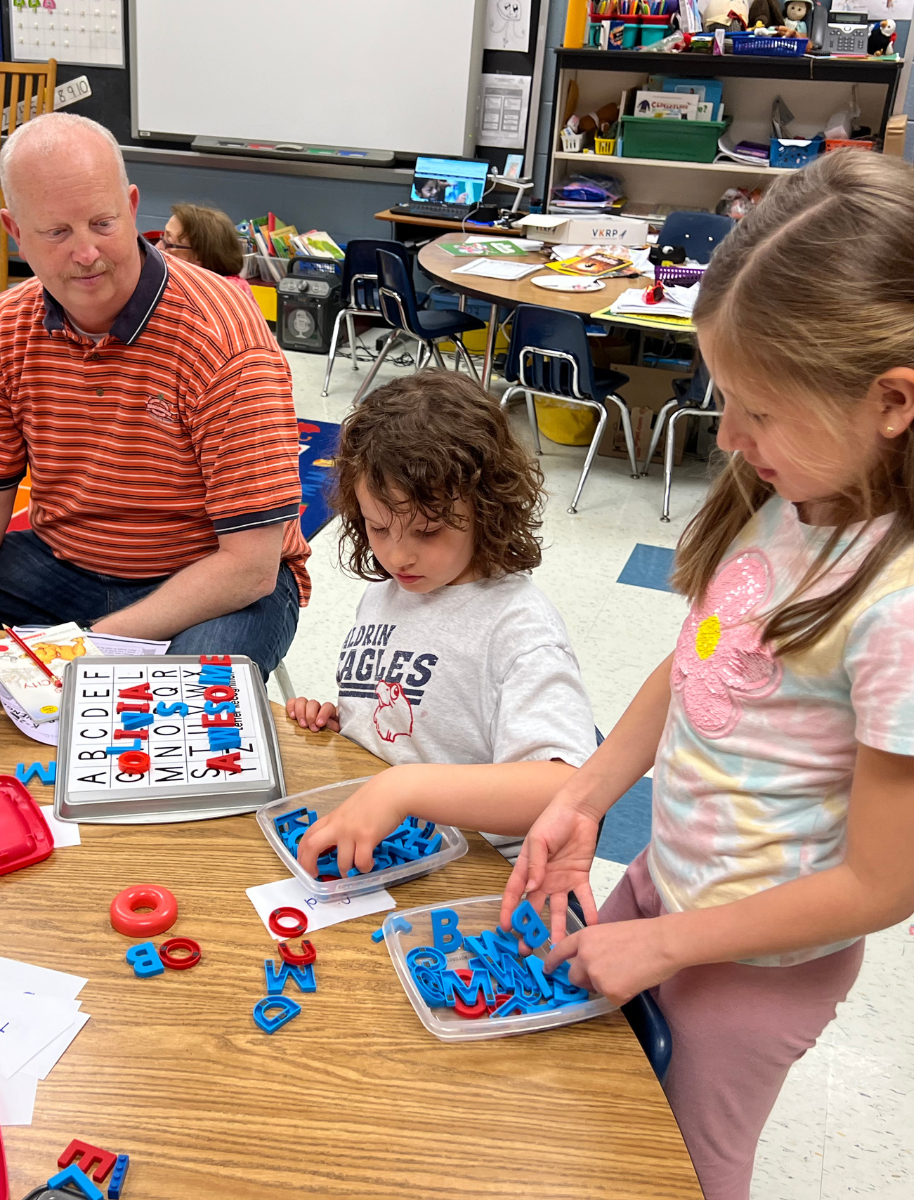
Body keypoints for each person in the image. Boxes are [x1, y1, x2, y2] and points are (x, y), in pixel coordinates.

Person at [491, 151, 914, 1199]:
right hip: (668, 891)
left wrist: (672, 944)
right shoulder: (794, 493)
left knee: (681, 1166)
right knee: (600, 1111)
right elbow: (698, 668)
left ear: (892, 402)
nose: (728, 437)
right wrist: (585, 797)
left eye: (759, 412)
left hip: (756, 970)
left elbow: (884, 883)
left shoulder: (899, 606)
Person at [0, 113, 309, 677]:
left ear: (134, 208)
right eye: (57, 232)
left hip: (212, 575)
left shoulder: (224, 337)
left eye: (102, 223)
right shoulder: (0, 334)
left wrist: (83, 648)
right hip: (65, 567)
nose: (86, 253)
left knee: (175, 704)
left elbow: (249, 568)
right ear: (16, 233)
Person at [286, 373, 596, 872]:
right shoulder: (383, 596)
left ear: (488, 510)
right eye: (379, 527)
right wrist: (344, 722)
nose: (399, 555)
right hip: (390, 841)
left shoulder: (519, 630)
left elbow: (565, 786)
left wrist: (403, 788)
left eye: (428, 531)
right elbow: (409, 721)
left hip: (477, 868)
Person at [160, 203, 254, 297]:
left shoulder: (207, 297)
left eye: (167, 243)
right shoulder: (237, 286)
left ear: (199, 256)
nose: (158, 248)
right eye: (161, 238)